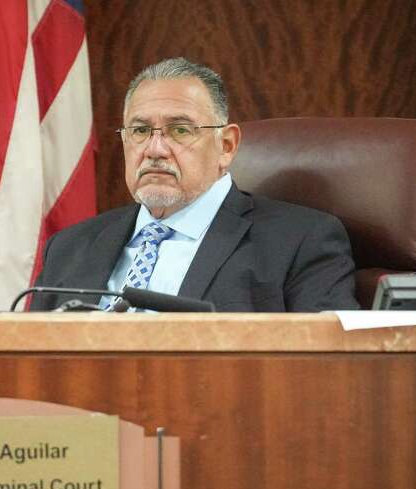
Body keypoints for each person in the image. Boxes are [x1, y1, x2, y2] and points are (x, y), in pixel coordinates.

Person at [30, 57, 359, 312]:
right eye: (140, 130)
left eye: (180, 131)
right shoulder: (70, 247)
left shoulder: (299, 241)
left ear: (226, 146)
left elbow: (326, 372)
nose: (155, 150)